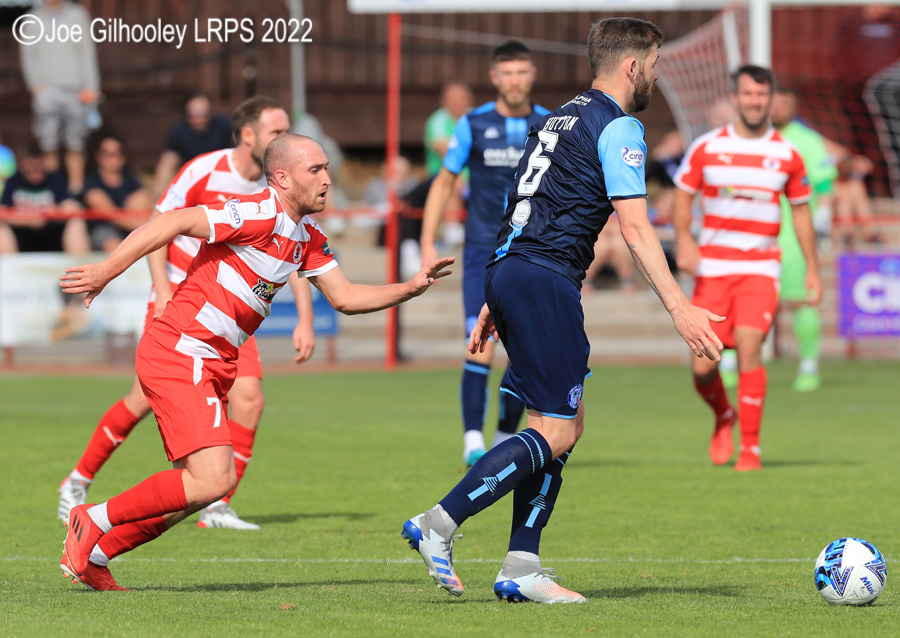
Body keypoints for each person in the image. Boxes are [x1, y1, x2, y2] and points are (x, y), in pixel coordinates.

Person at [403, 18, 723, 604]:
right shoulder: (618, 124)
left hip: (515, 270)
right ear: (632, 67)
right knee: (556, 429)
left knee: (559, 427)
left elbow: (520, 199)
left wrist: (498, 294)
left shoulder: (557, 117)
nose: (655, 73)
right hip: (543, 278)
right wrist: (680, 306)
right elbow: (633, 225)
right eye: (653, 63)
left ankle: (522, 566)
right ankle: (438, 524)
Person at [59, 134, 455, 591]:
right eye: (316, 171)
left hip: (214, 361)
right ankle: (92, 518)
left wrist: (409, 287)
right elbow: (169, 221)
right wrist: (107, 270)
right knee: (213, 480)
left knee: (196, 487)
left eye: (327, 168)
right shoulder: (255, 211)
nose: (328, 179)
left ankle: (98, 554)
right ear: (283, 178)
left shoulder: (307, 236)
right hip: (180, 350)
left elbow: (345, 297)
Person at [57, 97, 314, 531]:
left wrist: (305, 318)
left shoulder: (282, 189)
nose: (285, 139)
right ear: (249, 135)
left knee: (250, 401)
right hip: (181, 302)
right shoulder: (204, 170)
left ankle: (216, 504)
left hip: (232, 309)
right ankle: (77, 482)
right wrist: (161, 291)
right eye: (276, 131)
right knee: (141, 399)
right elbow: (160, 224)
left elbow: (294, 253)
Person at [673, 65, 823, 471]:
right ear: (735, 98)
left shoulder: (787, 155)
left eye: (761, 95)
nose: (754, 101)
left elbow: (802, 214)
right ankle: (724, 416)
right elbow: (682, 197)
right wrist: (685, 240)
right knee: (704, 367)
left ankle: (751, 448)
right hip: (713, 270)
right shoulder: (706, 147)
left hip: (760, 268)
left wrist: (812, 269)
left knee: (752, 346)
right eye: (747, 94)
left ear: (770, 99)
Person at [419, 40, 549, 467]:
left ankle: (500, 437)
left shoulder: (551, 126)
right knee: (479, 345)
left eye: (521, 72)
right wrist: (427, 241)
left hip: (533, 254)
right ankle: (472, 439)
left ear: (532, 75)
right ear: (494, 77)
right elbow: (443, 182)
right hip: (482, 254)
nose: (514, 80)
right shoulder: (472, 124)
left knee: (525, 351)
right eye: (506, 73)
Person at [770, 88, 838, 392]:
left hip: (793, 234)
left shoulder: (808, 141)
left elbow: (825, 185)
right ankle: (730, 363)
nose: (776, 108)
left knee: (800, 298)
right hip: (750, 233)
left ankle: (809, 365)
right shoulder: (749, 139)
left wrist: (823, 214)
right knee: (738, 299)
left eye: (783, 103)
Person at [20, 0, 100, 194]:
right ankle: (54, 193)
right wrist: (35, 85)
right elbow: (28, 54)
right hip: (47, 90)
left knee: (76, 143)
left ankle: (75, 192)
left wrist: (91, 86)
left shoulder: (77, 14)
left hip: (76, 89)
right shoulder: (33, 17)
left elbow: (86, 51)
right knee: (49, 144)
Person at [0, 139, 87, 255]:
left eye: (38, 164)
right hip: (23, 235)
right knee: (1, 227)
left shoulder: (54, 178)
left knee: (77, 221)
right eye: (30, 164)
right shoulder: (13, 181)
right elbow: (4, 212)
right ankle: (7, 269)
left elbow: (71, 206)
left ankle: (79, 267)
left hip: (52, 233)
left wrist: (53, 213)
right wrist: (29, 220)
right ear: (21, 164)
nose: (35, 169)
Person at [151, 92, 234, 198]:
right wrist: (157, 196)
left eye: (204, 113)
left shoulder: (224, 127)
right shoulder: (178, 133)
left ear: (211, 112)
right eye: (193, 114)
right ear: (186, 114)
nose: (199, 119)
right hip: (193, 181)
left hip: (223, 179)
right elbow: (167, 164)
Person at [82, 132, 153, 252]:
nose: (114, 158)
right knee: (114, 245)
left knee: (140, 200)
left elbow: (147, 202)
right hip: (104, 229)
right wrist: (148, 226)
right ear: (98, 156)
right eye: (108, 154)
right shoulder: (92, 182)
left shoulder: (131, 179)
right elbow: (110, 214)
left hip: (132, 227)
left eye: (118, 153)